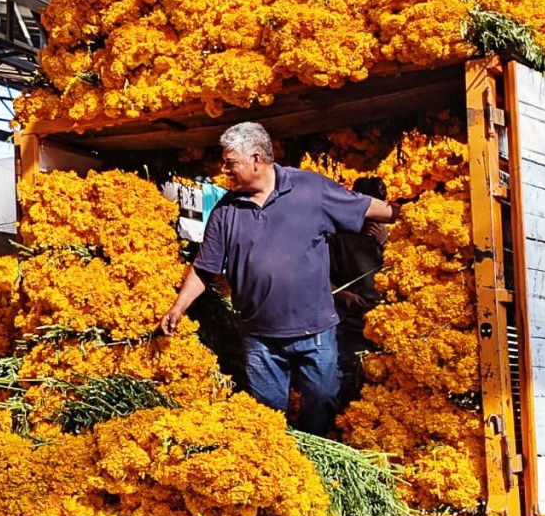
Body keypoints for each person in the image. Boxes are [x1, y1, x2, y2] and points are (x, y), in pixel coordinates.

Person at [160, 122, 399, 435]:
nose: (224, 171)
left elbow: (367, 207)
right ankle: (283, 463)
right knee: (268, 416)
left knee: (323, 401)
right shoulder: (225, 211)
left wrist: (405, 216)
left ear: (257, 160)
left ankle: (315, 456)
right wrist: (178, 307)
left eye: (231, 164)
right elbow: (205, 267)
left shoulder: (311, 189)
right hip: (260, 338)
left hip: (315, 331)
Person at [329, 176, 388, 412]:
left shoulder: (389, 237)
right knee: (351, 373)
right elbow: (322, 279)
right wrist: (345, 296)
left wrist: (384, 244)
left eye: (381, 202)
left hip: (384, 324)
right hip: (351, 324)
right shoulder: (339, 239)